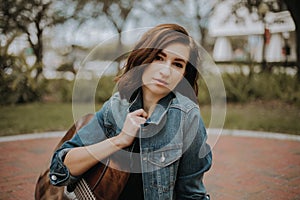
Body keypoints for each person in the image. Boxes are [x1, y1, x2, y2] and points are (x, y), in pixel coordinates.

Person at [49, 23, 212, 200]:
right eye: (158, 57)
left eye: (177, 64)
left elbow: (192, 195)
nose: (165, 71)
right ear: (143, 59)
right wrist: (120, 140)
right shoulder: (115, 108)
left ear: (184, 75)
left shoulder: (188, 118)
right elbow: (60, 168)